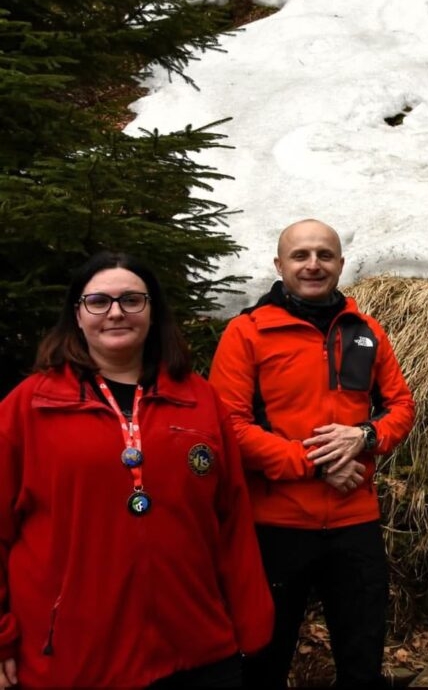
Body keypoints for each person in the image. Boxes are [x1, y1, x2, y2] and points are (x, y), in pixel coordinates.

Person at [0, 252, 274, 688]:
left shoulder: (200, 400)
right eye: (98, 302)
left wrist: (252, 625)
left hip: (198, 650)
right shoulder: (30, 406)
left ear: (153, 311)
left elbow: (232, 520)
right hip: (74, 658)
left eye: (132, 300)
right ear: (77, 315)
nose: (115, 312)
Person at [209, 219, 415, 688]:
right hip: (275, 527)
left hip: (355, 525)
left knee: (362, 664)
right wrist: (317, 465)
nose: (313, 265)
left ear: (340, 264)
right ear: (279, 265)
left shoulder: (366, 331)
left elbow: (401, 407)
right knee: (263, 665)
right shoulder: (247, 333)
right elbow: (229, 427)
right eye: (300, 255)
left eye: (324, 255)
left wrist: (364, 436)